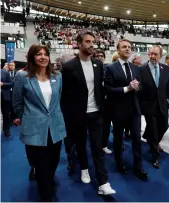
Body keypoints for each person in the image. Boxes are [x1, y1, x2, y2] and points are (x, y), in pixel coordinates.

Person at [61, 31, 115, 195]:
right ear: (79, 44)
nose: (92, 45)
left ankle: (103, 183)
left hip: (96, 113)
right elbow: (65, 95)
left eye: (93, 42)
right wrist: (68, 115)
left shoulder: (98, 65)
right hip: (77, 114)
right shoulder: (69, 67)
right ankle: (84, 168)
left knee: (97, 147)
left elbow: (99, 89)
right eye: (88, 42)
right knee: (80, 145)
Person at [12, 44, 66, 201]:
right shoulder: (23, 76)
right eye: (38, 54)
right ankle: (46, 194)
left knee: (54, 161)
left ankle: (46, 178)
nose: (43, 57)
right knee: (42, 165)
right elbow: (17, 101)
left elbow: (59, 100)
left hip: (55, 127)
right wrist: (25, 118)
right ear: (32, 57)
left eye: (45, 54)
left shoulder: (58, 76)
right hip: (34, 128)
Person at [104, 39, 148, 180]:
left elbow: (139, 88)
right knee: (118, 139)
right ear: (118, 49)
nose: (127, 49)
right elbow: (108, 89)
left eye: (129, 47)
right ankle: (119, 163)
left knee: (136, 138)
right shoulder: (110, 68)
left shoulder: (136, 68)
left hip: (134, 110)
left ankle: (138, 167)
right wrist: (126, 88)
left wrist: (137, 87)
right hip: (118, 110)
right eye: (124, 47)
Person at [139, 45, 169, 169]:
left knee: (164, 126)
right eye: (151, 54)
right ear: (148, 55)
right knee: (154, 132)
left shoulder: (165, 68)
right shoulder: (141, 69)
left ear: (160, 56)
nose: (153, 56)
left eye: (156, 54)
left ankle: (151, 141)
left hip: (162, 105)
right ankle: (155, 156)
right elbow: (139, 90)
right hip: (148, 106)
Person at [1, 68, 12, 137]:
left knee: (6, 115)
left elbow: (10, 83)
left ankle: (6, 130)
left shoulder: (5, 72)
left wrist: (3, 84)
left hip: (4, 97)